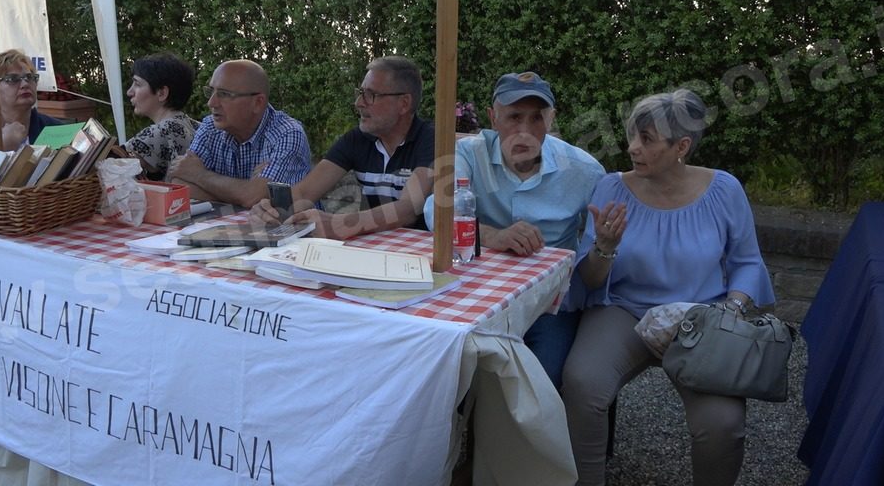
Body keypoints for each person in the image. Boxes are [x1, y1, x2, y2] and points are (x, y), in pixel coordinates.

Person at [561, 89, 776, 486]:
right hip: (624, 310)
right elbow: (590, 280)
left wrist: (729, 310)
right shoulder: (611, 188)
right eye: (631, 136)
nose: (632, 148)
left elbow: (747, 263)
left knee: (723, 423)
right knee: (582, 383)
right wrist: (603, 249)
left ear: (682, 146)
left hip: (702, 318)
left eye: (646, 139)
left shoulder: (724, 190)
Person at [422, 71, 604, 387]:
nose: (525, 131)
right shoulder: (467, 153)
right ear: (493, 118)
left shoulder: (585, 170)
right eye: (514, 117)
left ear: (551, 120)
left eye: (537, 119)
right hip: (478, 293)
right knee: (444, 372)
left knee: (540, 381)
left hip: (549, 305)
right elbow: (436, 210)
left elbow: (596, 249)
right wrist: (493, 236)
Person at [251, 56, 434, 239]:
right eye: (360, 93)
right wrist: (271, 210)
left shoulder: (430, 140)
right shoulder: (357, 140)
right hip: (369, 249)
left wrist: (343, 223)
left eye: (371, 95)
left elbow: (409, 208)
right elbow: (304, 192)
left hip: (421, 254)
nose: (359, 103)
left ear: (404, 103)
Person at [168, 59, 311, 207]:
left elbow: (253, 197)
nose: (211, 103)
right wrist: (244, 192)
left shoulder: (288, 134)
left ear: (258, 103)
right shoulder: (210, 126)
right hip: (231, 225)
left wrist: (199, 174)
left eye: (224, 94)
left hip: (291, 228)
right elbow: (180, 183)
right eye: (211, 91)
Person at [121, 52, 199, 181]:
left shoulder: (160, 132)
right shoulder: (194, 125)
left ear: (162, 93)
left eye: (138, 84)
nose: (129, 92)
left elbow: (106, 167)